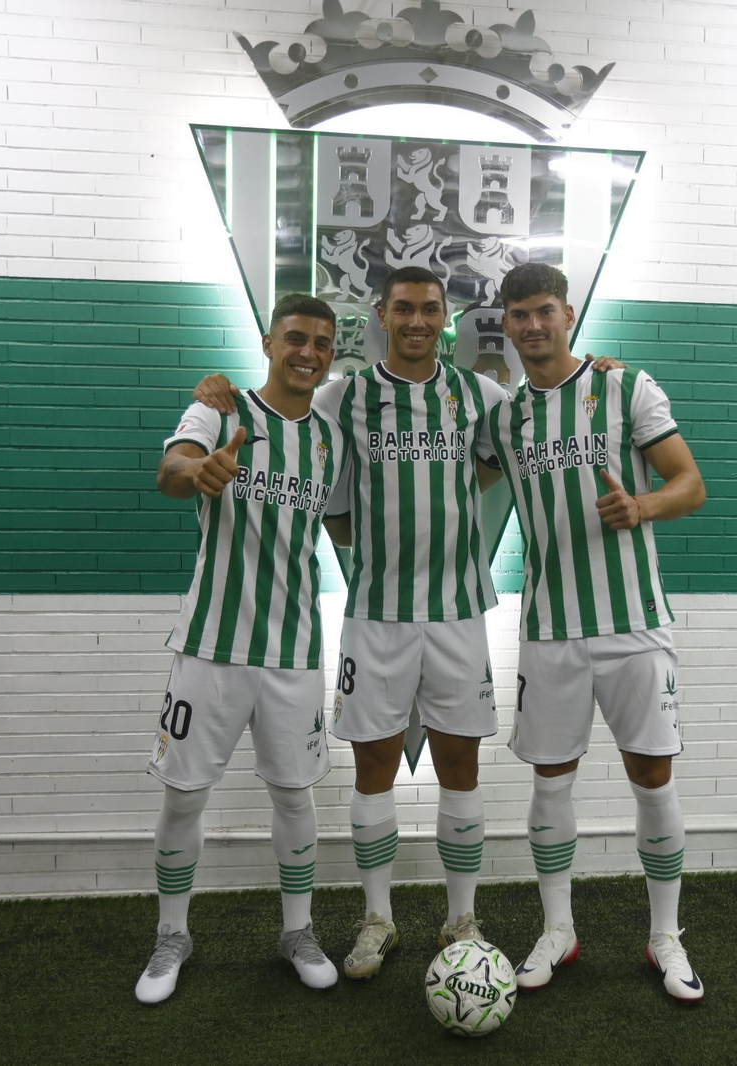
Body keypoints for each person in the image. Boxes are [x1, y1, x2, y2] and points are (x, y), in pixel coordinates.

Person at [190, 266, 509, 979]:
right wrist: (216, 391)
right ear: (382, 315)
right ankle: (378, 919)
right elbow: (310, 462)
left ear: (445, 316)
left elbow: (498, 459)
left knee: (461, 765)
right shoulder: (344, 396)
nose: (418, 320)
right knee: (374, 770)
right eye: (404, 308)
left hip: (460, 613)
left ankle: (461, 918)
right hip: (376, 617)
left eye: (430, 309)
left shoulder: (478, 395)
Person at [481, 262, 709, 1002]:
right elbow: (445, 470)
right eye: (519, 315)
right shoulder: (505, 418)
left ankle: (665, 936)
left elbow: (690, 484)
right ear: (505, 325)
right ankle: (558, 931)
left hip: (635, 625)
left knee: (652, 776)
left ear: (568, 313)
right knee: (552, 780)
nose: (533, 325)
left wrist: (643, 508)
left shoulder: (624, 387)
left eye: (544, 310)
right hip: (550, 629)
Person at [134, 293, 346, 1005]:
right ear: (268, 340)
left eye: (322, 342)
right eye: (295, 337)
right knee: (185, 795)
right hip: (211, 648)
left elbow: (342, 529)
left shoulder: (329, 436)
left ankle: (297, 930)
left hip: (293, 651)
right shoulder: (218, 412)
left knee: (294, 794)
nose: (308, 352)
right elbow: (170, 473)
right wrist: (197, 473)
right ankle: (172, 935)